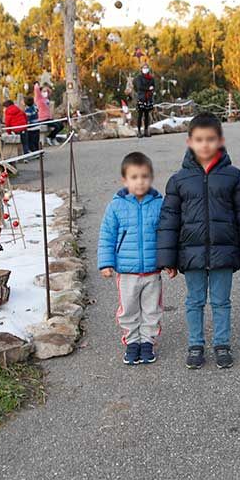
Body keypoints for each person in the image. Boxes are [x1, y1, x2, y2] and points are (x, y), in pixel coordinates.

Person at [156, 112, 240, 370]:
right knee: (194, 301)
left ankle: (222, 343)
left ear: (220, 141)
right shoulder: (178, 180)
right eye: (199, 139)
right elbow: (169, 221)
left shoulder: (234, 176)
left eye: (210, 139)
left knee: (222, 301)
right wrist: (167, 259)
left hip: (224, 252)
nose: (205, 145)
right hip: (190, 255)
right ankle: (195, 344)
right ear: (189, 142)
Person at [97, 152, 165, 365]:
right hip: (126, 271)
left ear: (151, 178)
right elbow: (107, 235)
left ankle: (147, 342)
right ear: (124, 180)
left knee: (152, 308)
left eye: (145, 176)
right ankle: (132, 341)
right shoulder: (116, 206)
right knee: (128, 308)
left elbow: (167, 234)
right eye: (134, 177)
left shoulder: (159, 204)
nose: (140, 181)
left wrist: (170, 261)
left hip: (152, 270)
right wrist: (106, 263)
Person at [133, 64, 156, 137]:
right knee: (140, 115)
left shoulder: (151, 78)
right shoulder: (139, 78)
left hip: (148, 98)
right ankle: (139, 131)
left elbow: (153, 86)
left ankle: (146, 130)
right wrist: (148, 88)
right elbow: (139, 87)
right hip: (141, 98)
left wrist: (152, 89)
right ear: (141, 69)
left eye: (146, 68)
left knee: (147, 115)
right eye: (144, 68)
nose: (145, 69)